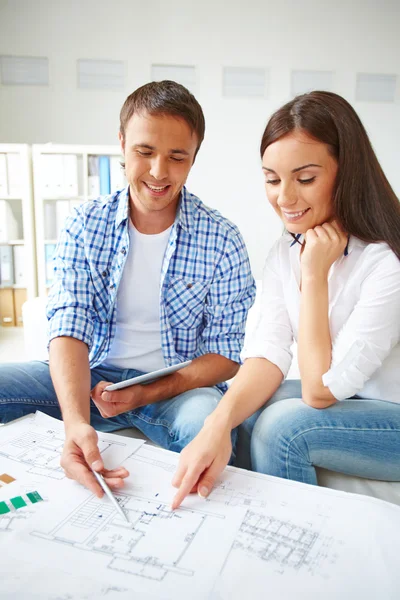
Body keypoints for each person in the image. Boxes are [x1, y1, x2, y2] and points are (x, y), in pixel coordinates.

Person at [0, 80, 255, 498]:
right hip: (92, 378)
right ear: (121, 143)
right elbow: (69, 322)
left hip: (178, 389)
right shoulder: (85, 223)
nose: (158, 172)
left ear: (194, 158)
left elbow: (227, 354)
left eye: (177, 157)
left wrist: (148, 392)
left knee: (212, 433)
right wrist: (76, 421)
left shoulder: (223, 239)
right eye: (144, 152)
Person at [171, 90, 400, 509]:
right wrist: (216, 425)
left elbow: (320, 390)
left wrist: (314, 276)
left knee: (283, 427)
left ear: (345, 171)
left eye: (305, 178)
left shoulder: (386, 262)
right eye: (272, 179)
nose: (285, 198)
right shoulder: (286, 250)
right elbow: (268, 351)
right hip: (357, 403)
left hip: (390, 411)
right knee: (239, 407)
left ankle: (295, 558)